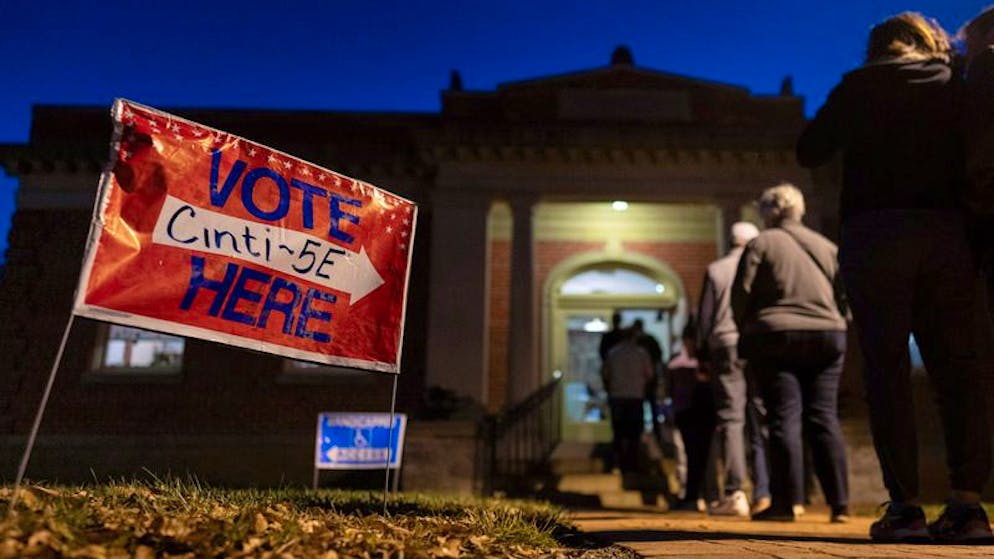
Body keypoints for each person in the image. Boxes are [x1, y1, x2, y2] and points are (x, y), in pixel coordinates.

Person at [798, 12, 992, 542]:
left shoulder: (860, 87)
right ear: (928, 42)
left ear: (878, 48)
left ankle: (905, 508)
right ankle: (969, 506)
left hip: (875, 233)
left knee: (884, 372)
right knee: (957, 369)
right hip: (946, 234)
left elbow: (809, 149)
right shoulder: (956, 83)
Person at [731, 184, 850, 524]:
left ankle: (785, 502)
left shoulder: (761, 243)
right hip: (828, 335)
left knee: (784, 417)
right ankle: (839, 504)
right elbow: (844, 291)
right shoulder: (826, 246)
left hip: (777, 335)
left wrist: (746, 327)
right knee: (824, 416)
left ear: (768, 213)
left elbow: (742, 293)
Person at [696, 221, 770, 517]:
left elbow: (705, 317)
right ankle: (765, 491)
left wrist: (702, 354)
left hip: (725, 344)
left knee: (731, 418)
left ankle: (735, 491)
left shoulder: (716, 269)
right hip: (758, 343)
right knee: (761, 418)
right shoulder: (764, 267)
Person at [665, 319, 717, 511]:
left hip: (695, 411)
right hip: (689, 412)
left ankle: (703, 495)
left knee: (702, 455)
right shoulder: (680, 364)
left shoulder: (683, 364)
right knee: (696, 454)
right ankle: (699, 495)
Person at [601, 325, 654, 474]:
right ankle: (631, 464)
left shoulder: (613, 353)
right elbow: (649, 374)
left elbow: (605, 373)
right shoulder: (641, 353)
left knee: (619, 432)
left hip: (617, 396)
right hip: (635, 396)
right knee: (634, 434)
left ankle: (618, 464)